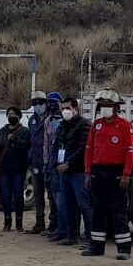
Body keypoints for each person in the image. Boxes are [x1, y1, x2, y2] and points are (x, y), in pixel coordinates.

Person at [82, 89, 133, 259]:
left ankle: (124, 249)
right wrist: (88, 173)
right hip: (98, 172)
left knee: (119, 212)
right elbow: (89, 150)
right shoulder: (96, 125)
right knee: (98, 211)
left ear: (116, 107)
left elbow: (130, 152)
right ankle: (96, 247)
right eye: (102, 105)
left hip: (116, 173)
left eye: (108, 105)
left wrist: (126, 174)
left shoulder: (124, 125)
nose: (105, 108)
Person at [52, 97, 92, 247]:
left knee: (84, 205)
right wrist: (56, 162)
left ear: (76, 109)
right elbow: (56, 146)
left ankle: (90, 237)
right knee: (67, 204)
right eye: (63, 109)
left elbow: (83, 149)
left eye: (67, 108)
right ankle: (71, 235)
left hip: (79, 171)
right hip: (64, 171)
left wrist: (68, 163)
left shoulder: (85, 125)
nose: (65, 111)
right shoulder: (62, 125)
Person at [0, 106, 31, 232]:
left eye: (13, 114)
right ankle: (7, 221)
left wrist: (15, 140)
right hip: (4, 169)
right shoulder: (2, 132)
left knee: (18, 195)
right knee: (5, 195)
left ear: (19, 116)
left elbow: (27, 146)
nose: (11, 116)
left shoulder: (24, 131)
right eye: (9, 114)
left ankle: (19, 223)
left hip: (19, 169)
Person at [26, 91, 53, 234]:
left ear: (46, 103)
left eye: (40, 102)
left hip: (49, 164)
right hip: (36, 162)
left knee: (52, 196)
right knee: (38, 195)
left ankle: (53, 224)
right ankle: (39, 223)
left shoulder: (52, 118)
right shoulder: (32, 120)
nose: (38, 105)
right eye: (35, 103)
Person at [41, 91, 64, 238]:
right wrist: (45, 162)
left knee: (61, 198)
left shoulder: (65, 120)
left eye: (54, 102)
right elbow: (46, 143)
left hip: (61, 163)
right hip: (50, 163)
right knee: (51, 196)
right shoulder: (48, 120)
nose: (52, 105)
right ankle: (54, 225)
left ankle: (63, 228)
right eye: (50, 102)